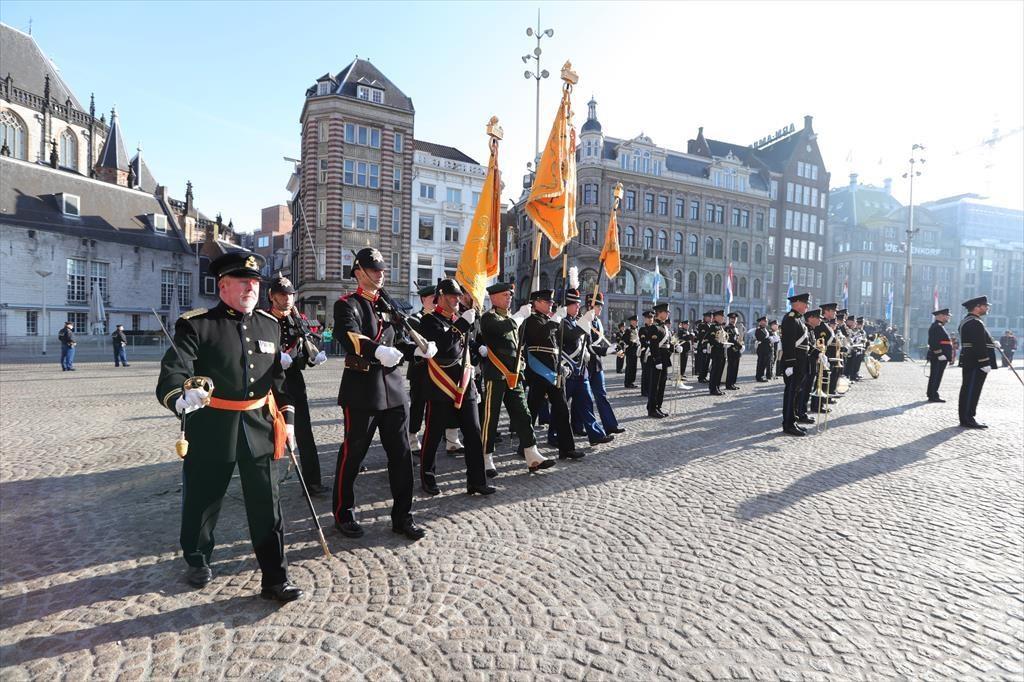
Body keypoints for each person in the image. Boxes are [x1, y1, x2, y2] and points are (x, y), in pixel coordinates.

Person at [155, 251, 301, 601]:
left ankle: (275, 577)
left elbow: (278, 379)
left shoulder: (270, 324)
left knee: (268, 503)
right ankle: (198, 557)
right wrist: (181, 396)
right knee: (204, 498)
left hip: (260, 424)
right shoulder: (197, 324)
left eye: (255, 281)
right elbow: (175, 369)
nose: (252, 286)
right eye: (243, 280)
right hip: (212, 424)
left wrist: (289, 420)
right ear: (223, 285)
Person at [332, 247, 430, 540]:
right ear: (358, 271)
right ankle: (343, 512)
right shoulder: (347, 304)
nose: (380, 274)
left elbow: (400, 341)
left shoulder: (389, 305)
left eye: (382, 269)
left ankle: (403, 516)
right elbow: (350, 336)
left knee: (401, 456)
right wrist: (377, 350)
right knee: (353, 454)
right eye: (374, 269)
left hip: (394, 388)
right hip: (363, 388)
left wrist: (419, 351)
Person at [416, 278, 496, 496]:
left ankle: (477, 481)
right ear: (440, 296)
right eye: (452, 296)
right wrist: (461, 325)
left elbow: (465, 347)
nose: (457, 300)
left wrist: (478, 350)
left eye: (458, 296)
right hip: (440, 385)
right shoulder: (429, 321)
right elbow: (442, 347)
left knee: (473, 433)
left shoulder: (460, 319)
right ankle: (428, 478)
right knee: (433, 436)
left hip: (464, 384)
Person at [477, 281, 554, 474]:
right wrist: (520, 316)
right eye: (505, 295)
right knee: (491, 417)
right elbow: (503, 328)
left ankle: (532, 453)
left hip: (514, 375)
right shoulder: (488, 317)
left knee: (523, 414)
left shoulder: (512, 317)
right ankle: (485, 457)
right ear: (493, 297)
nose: (509, 297)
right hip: (496, 374)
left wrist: (521, 362)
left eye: (510, 295)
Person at [266, 274, 329, 495]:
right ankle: (265, 485)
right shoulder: (262, 320)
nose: (287, 299)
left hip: (293, 381)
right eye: (282, 294)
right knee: (267, 434)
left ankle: (313, 482)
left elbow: (300, 354)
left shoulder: (297, 320)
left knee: (305, 432)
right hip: (268, 383)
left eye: (291, 294)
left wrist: (311, 358)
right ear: (271, 296)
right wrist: (274, 358)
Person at [523, 289, 583, 460]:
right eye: (547, 302)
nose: (551, 304)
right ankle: (524, 446)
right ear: (536, 302)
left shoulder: (548, 319)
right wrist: (556, 318)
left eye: (550, 302)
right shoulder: (531, 319)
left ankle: (566, 449)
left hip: (553, 370)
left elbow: (557, 344)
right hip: (539, 370)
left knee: (562, 410)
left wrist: (561, 365)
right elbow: (541, 335)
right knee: (532, 411)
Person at [560, 288, 614, 445]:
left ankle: (596, 435)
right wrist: (584, 321)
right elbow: (570, 336)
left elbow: (585, 342)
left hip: (580, 369)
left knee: (587, 402)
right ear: (567, 306)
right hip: (568, 369)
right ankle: (554, 435)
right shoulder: (562, 321)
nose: (578, 307)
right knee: (561, 407)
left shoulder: (577, 320)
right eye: (575, 304)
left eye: (578, 304)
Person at [586, 292, 624, 434]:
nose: (601, 309)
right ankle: (577, 426)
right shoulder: (584, 321)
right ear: (590, 306)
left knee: (602, 395)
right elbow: (589, 347)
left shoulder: (598, 322)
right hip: (585, 364)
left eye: (601, 306)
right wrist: (607, 351)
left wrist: (613, 350)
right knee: (584, 398)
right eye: (598, 306)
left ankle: (610, 426)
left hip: (597, 364)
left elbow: (601, 344)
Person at [957, 295, 998, 429]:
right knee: (971, 390)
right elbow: (978, 344)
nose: (987, 308)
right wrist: (984, 362)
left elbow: (978, 341)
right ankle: (968, 418)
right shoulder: (975, 322)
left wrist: (992, 343)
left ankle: (967, 417)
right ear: (977, 307)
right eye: (985, 306)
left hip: (971, 360)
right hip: (975, 362)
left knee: (969, 388)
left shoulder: (968, 321)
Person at [406, 284, 437, 455]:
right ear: (423, 300)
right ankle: (412, 437)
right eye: (432, 298)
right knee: (417, 405)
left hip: (438, 371)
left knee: (434, 406)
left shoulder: (439, 318)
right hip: (420, 370)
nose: (435, 301)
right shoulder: (414, 319)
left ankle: (431, 437)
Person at [780, 293, 811, 437]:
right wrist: (790, 364)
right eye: (805, 303)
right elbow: (788, 343)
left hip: (800, 362)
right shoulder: (790, 319)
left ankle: (792, 420)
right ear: (797, 303)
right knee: (791, 393)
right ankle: (788, 424)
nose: (807, 306)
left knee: (795, 393)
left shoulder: (798, 319)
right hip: (794, 363)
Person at [646, 303, 673, 418]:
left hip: (665, 358)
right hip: (658, 359)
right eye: (666, 312)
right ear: (660, 313)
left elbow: (668, 343)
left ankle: (658, 407)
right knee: (655, 385)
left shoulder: (665, 327)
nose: (667, 314)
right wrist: (657, 360)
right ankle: (652, 409)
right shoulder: (654, 327)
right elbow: (653, 345)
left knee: (662, 384)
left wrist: (674, 347)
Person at [925, 308, 954, 403]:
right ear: (941, 316)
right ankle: (933, 395)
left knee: (937, 376)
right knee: (935, 376)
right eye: (947, 315)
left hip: (941, 357)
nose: (948, 317)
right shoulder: (936, 326)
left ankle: (933, 394)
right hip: (938, 357)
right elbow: (933, 342)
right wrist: (939, 354)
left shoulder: (940, 326)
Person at [705, 310, 727, 396]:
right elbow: (711, 339)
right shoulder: (713, 327)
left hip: (722, 351)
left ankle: (717, 387)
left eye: (723, 317)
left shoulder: (721, 327)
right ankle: (713, 388)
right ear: (716, 317)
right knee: (715, 370)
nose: (723, 318)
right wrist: (720, 344)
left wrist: (725, 344)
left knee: (720, 370)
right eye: (721, 317)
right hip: (716, 352)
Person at [638, 310, 656, 397]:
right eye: (648, 318)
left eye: (651, 318)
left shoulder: (655, 328)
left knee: (652, 373)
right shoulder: (642, 329)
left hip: (653, 353)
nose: (650, 319)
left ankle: (650, 390)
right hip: (645, 353)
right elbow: (644, 341)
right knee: (645, 373)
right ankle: (644, 391)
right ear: (645, 319)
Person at [724, 312, 743, 390]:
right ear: (729, 319)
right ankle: (729, 384)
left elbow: (738, 338)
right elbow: (731, 338)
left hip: (737, 350)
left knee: (735, 367)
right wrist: (739, 345)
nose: (733, 320)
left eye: (734, 319)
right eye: (732, 319)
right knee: (731, 367)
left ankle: (733, 383)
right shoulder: (728, 328)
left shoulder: (736, 328)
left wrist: (741, 345)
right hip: (731, 349)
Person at [622, 315, 640, 388]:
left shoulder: (636, 329)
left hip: (635, 351)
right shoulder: (628, 330)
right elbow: (625, 340)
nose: (636, 322)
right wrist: (632, 342)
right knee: (629, 367)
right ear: (631, 321)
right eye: (635, 321)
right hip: (630, 351)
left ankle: (632, 382)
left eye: (637, 321)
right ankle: (627, 383)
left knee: (634, 367)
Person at [695, 311, 713, 383]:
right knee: (703, 362)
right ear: (706, 318)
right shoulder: (702, 325)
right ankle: (701, 377)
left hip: (708, 347)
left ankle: (704, 376)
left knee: (707, 362)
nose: (711, 318)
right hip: (703, 347)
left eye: (712, 317)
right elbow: (701, 337)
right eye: (710, 317)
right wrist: (704, 346)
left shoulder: (709, 325)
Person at [675, 319, 693, 386]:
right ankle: (679, 376)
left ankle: (682, 374)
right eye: (686, 324)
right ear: (682, 325)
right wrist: (690, 335)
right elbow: (684, 338)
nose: (687, 326)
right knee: (682, 363)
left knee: (684, 363)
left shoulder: (686, 331)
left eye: (688, 324)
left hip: (686, 349)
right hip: (682, 349)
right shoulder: (681, 331)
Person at [754, 317, 771, 382]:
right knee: (760, 363)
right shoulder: (758, 330)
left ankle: (762, 376)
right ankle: (759, 376)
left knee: (764, 364)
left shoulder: (765, 329)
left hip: (766, 349)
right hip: (761, 349)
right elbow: (760, 338)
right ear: (760, 322)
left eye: (766, 321)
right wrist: (769, 339)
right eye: (764, 321)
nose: (766, 322)